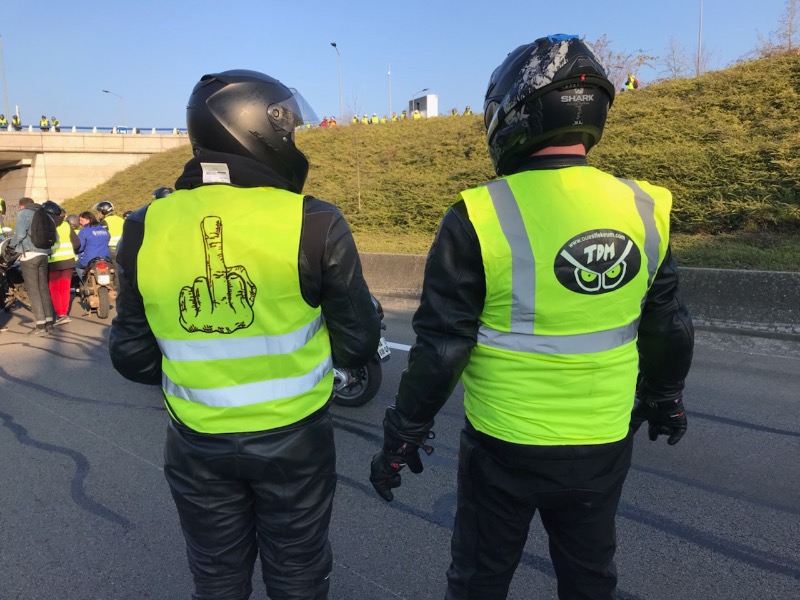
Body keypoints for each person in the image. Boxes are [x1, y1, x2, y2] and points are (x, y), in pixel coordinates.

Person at [369, 34, 695, 600]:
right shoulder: (644, 208)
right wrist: (665, 397)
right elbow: (668, 324)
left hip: (504, 445)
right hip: (602, 440)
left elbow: (442, 349)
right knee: (590, 577)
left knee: (480, 579)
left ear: (513, 115)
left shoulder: (478, 214)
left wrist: (403, 435)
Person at [108, 68, 380, 599]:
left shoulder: (144, 225)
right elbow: (358, 344)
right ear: (256, 128)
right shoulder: (313, 220)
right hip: (295, 439)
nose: (293, 140)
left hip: (196, 440)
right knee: (297, 574)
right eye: (288, 129)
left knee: (217, 578)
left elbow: (132, 357)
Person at [8, 197, 55, 334]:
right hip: (44, 254)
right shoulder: (46, 214)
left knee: (33, 290)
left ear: (21, 206)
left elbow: (20, 234)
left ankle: (40, 325)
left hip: (29, 255)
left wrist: (11, 245)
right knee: (43, 288)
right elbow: (55, 236)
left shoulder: (23, 213)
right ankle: (49, 322)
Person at [44, 201, 79, 325]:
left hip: (53, 261)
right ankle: (64, 313)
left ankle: (60, 314)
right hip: (68, 261)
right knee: (65, 288)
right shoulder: (66, 225)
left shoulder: (47, 225)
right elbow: (76, 243)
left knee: (54, 289)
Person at [75, 211, 111, 280]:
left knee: (77, 266)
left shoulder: (84, 231)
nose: (80, 222)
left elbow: (80, 247)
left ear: (88, 220)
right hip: (105, 258)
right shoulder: (104, 230)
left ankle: (84, 281)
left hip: (89, 259)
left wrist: (76, 251)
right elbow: (107, 240)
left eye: (81, 220)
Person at [93, 200, 124, 266]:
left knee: (113, 267)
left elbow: (101, 237)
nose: (98, 214)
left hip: (111, 249)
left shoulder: (104, 222)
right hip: (122, 247)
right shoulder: (120, 219)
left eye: (99, 212)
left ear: (104, 212)